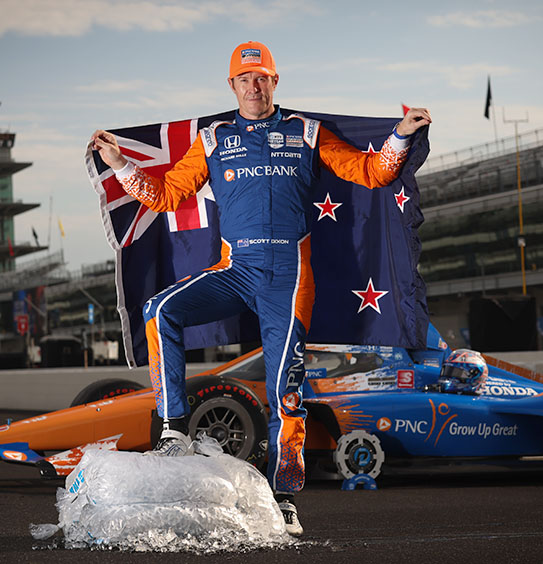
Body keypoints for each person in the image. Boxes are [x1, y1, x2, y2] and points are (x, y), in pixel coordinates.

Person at [90, 40, 431, 536]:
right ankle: (172, 428)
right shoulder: (213, 138)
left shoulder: (307, 132)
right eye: (245, 79)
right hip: (238, 271)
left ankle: (286, 497)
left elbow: (371, 172)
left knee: (284, 394)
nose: (254, 86)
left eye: (263, 77)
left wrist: (400, 135)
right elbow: (164, 196)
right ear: (232, 85)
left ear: (275, 82)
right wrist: (121, 163)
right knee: (159, 309)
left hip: (289, 282)